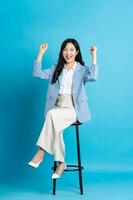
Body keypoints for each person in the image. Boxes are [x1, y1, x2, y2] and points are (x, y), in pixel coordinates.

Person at [28, 38, 99, 179]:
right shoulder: (56, 69)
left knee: (51, 115)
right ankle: (61, 163)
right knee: (55, 124)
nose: (68, 53)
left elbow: (94, 76)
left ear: (77, 52)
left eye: (72, 50)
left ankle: (41, 152)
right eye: (65, 49)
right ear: (62, 52)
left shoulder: (81, 69)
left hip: (74, 109)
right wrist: (41, 53)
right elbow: (37, 74)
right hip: (57, 107)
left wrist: (94, 55)